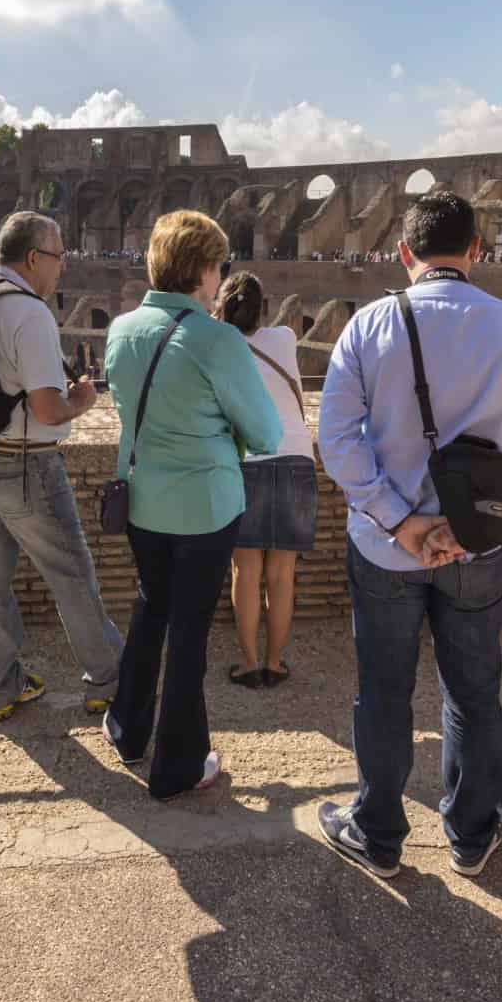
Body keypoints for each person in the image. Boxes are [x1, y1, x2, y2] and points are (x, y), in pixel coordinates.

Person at [317, 190, 502, 878]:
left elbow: (336, 439)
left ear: (405, 254)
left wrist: (400, 521)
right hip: (475, 550)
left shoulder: (369, 325)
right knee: (473, 690)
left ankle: (378, 832)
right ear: (477, 252)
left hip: (384, 548)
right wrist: (481, 523)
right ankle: (471, 833)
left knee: (383, 689)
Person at [103, 211, 282, 799]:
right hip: (205, 509)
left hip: (142, 501)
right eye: (218, 266)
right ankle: (179, 765)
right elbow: (264, 434)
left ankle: (128, 728)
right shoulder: (217, 338)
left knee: (150, 607)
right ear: (206, 269)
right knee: (189, 632)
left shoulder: (121, 329)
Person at [0, 212, 124, 721]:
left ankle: (2, 686)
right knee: (72, 574)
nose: (63, 270)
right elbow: (49, 409)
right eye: (58, 257)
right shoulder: (29, 314)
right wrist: (82, 400)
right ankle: (110, 679)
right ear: (33, 258)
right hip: (27, 464)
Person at [214, 271, 317, 689]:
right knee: (281, 574)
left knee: (245, 570)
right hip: (297, 457)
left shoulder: (218, 350)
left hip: (249, 461)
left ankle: (248, 663)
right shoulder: (285, 339)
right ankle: (275, 662)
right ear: (263, 309)